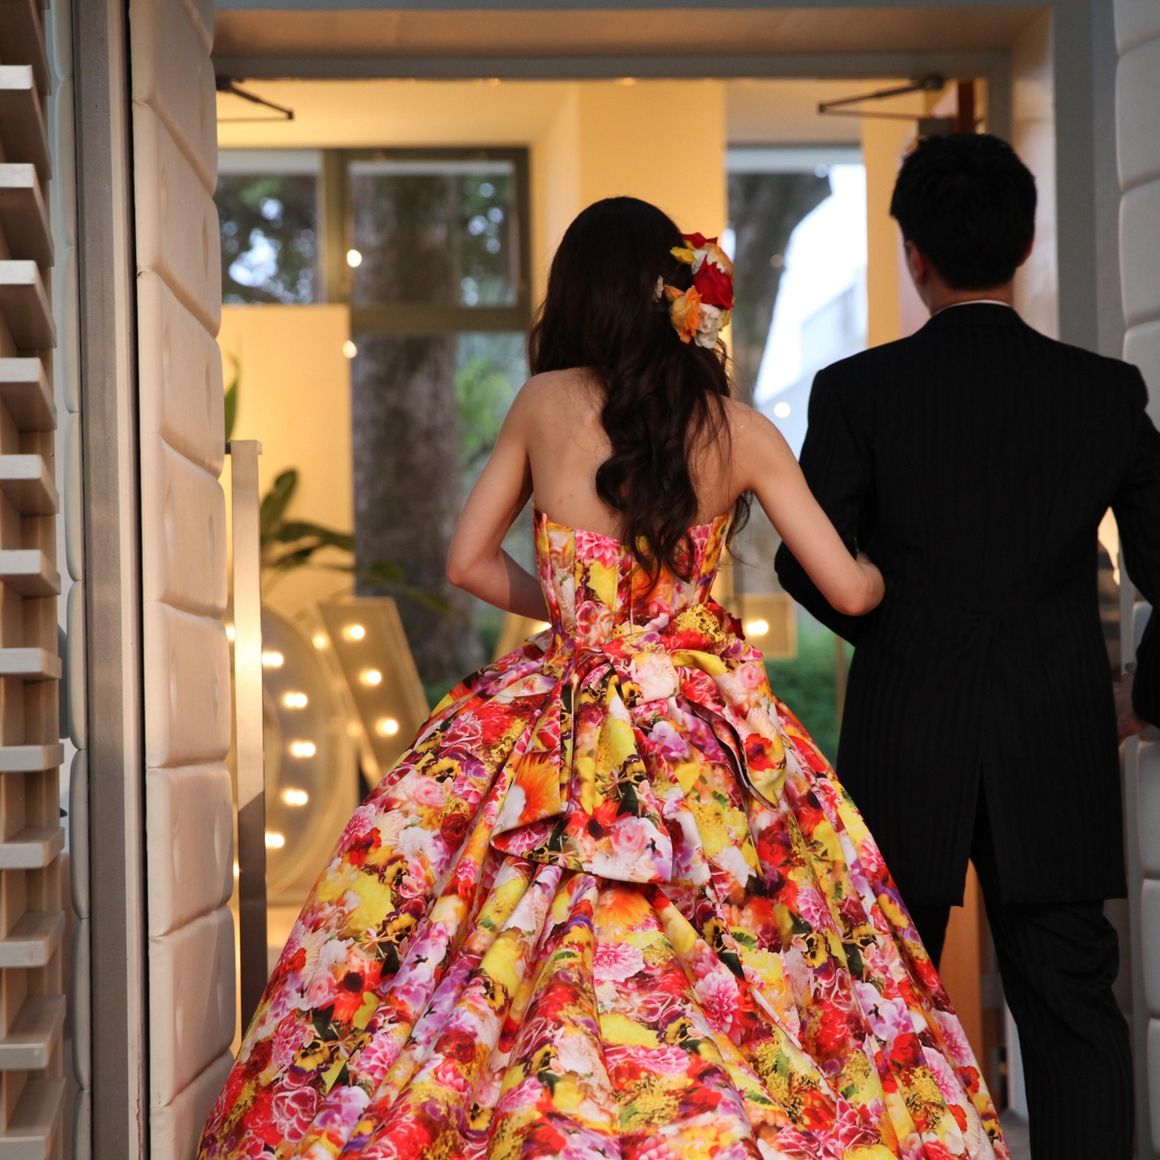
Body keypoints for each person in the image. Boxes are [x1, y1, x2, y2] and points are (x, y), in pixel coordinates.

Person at [199, 197, 1008, 1159]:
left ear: (577, 297)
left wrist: (579, 614)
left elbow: (467, 562)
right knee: (773, 953)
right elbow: (846, 588)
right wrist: (882, 574)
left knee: (448, 932)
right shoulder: (740, 429)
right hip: (705, 731)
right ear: (681, 298)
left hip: (556, 717)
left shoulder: (544, 404)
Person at [775, 133, 1160, 1160]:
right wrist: (1143, 694)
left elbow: (805, 563)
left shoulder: (856, 391)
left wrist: (902, 634)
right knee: (1073, 1009)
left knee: (878, 1009)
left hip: (905, 729)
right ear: (1025, 244)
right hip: (1056, 731)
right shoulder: (1101, 391)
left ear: (914, 254)